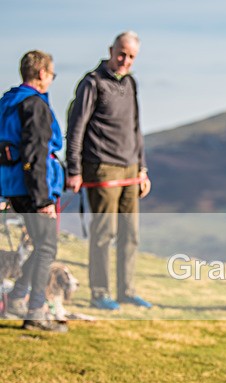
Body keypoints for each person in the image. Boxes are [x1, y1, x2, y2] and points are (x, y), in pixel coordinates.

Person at [66, 31, 151, 311]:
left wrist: (142, 168)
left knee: (131, 233)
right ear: (111, 50)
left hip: (131, 168)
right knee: (104, 233)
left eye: (131, 57)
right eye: (122, 54)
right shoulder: (92, 83)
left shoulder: (130, 83)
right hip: (102, 167)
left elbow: (136, 128)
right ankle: (99, 292)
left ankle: (127, 291)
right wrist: (74, 170)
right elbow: (76, 128)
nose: (125, 60)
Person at [0, 50, 67, 332]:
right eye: (51, 74)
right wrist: (42, 200)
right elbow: (35, 155)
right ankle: (36, 311)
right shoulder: (35, 105)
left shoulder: (7, 102)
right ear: (41, 73)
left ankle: (17, 299)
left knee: (40, 245)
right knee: (47, 247)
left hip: (12, 185)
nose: (51, 79)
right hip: (32, 188)